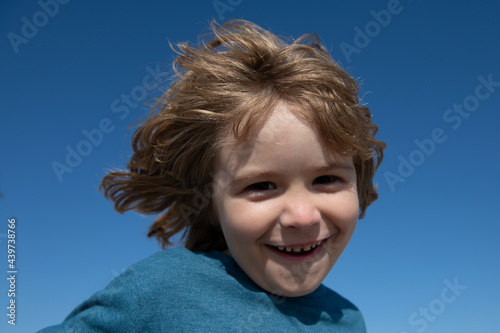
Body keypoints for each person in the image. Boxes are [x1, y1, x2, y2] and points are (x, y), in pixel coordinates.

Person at [39, 19, 386, 332]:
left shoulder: (348, 320)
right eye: (261, 185)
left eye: (326, 180)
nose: (303, 216)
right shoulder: (164, 291)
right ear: (209, 205)